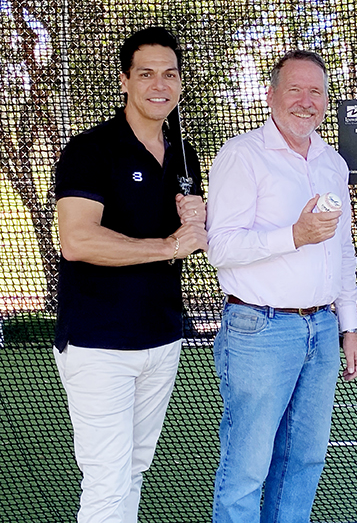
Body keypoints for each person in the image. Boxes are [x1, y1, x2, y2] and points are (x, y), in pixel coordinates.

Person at [53, 26, 208, 523]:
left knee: (134, 471)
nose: (159, 84)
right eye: (146, 74)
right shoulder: (91, 150)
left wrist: (197, 222)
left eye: (170, 74)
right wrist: (168, 244)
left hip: (161, 339)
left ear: (181, 83)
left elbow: (191, 239)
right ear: (125, 81)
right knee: (108, 478)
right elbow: (77, 240)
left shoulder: (185, 155)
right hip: (99, 344)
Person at [206, 49, 357, 523]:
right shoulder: (242, 155)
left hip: (320, 328)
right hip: (259, 327)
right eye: (294, 89)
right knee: (247, 469)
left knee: (304, 461)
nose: (305, 101)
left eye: (315, 91)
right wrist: (293, 236)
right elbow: (222, 249)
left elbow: (342, 250)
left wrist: (349, 325)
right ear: (271, 95)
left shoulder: (332, 161)